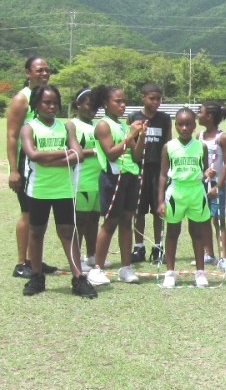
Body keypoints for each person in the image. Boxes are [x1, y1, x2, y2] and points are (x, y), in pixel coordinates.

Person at [19, 85, 96, 298]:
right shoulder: (29, 128)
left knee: (67, 233)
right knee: (36, 232)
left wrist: (49, 158)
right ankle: (37, 277)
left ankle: (78, 279)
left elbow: (78, 155)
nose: (52, 106)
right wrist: (63, 155)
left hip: (64, 189)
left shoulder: (65, 128)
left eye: (55, 102)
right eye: (47, 102)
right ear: (36, 104)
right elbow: (32, 155)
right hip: (39, 189)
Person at [86, 85, 147, 287]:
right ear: (106, 103)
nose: (123, 105)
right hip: (113, 177)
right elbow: (111, 153)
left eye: (124, 101)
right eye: (117, 101)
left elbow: (136, 156)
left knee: (127, 221)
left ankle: (125, 267)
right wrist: (130, 135)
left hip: (130, 175)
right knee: (110, 222)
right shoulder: (103, 125)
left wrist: (141, 135)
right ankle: (96, 268)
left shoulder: (121, 125)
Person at [6, 56, 58, 278]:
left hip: (43, 165)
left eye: (47, 70)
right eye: (39, 70)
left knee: (39, 215)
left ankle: (33, 260)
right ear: (28, 73)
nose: (44, 73)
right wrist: (14, 170)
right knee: (27, 213)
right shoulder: (22, 99)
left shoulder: (46, 96)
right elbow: (11, 136)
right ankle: (21, 264)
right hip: (26, 164)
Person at [157, 107, 214, 288]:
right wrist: (160, 201)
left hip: (196, 191)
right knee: (173, 233)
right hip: (176, 192)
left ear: (194, 125)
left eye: (188, 124)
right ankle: (170, 272)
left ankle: (200, 273)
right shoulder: (169, 147)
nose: (184, 128)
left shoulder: (201, 146)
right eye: (180, 124)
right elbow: (163, 175)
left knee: (197, 233)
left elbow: (204, 171)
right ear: (175, 126)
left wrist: (208, 173)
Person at [127, 83, 171, 264]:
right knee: (138, 211)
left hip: (158, 170)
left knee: (158, 210)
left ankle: (158, 247)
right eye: (152, 98)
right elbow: (129, 142)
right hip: (139, 169)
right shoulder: (133, 117)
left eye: (159, 98)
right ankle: (138, 247)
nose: (156, 102)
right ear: (143, 97)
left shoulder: (164, 119)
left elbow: (168, 144)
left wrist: (168, 170)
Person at [70, 88, 108, 272]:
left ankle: (91, 256)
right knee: (81, 221)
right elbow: (73, 152)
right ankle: (76, 258)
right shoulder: (72, 125)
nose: (92, 108)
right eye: (88, 104)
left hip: (98, 179)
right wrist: (96, 151)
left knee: (94, 219)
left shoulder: (96, 125)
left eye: (95, 105)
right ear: (78, 105)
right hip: (81, 179)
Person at [197, 101, 226, 273]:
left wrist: (218, 186)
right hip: (201, 184)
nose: (198, 115)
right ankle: (209, 254)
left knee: (218, 220)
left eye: (200, 112)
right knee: (203, 218)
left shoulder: (223, 137)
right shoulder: (199, 136)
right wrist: (204, 172)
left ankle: (223, 258)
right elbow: (199, 161)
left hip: (217, 184)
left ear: (209, 117)